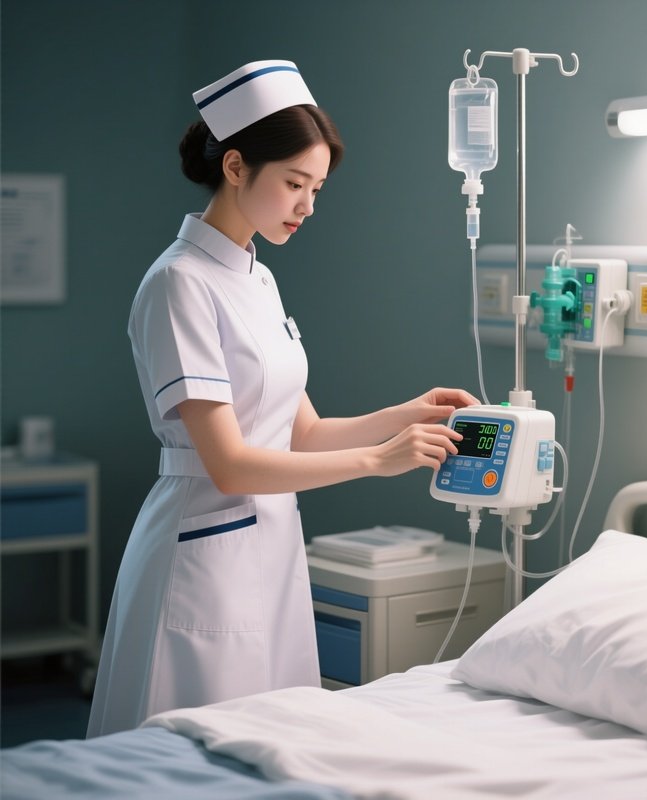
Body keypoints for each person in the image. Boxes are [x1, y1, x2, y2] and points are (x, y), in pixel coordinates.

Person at [87, 60, 478, 737]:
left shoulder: (258, 281)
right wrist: (379, 461)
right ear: (235, 167)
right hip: (200, 554)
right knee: (182, 756)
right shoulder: (179, 284)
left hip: (268, 551)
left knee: (267, 748)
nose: (308, 206)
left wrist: (410, 414)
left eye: (318, 187)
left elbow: (301, 432)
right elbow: (232, 464)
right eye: (295, 183)